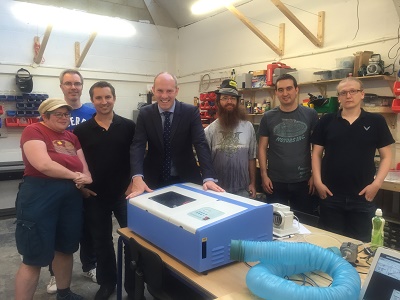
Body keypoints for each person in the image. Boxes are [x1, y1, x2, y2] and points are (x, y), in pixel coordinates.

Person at [15, 98, 92, 300]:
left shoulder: (71, 137)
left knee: (65, 247)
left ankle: (64, 293)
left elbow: (82, 164)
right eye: (58, 114)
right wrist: (76, 176)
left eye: (66, 114)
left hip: (70, 197)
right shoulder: (33, 131)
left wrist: (87, 178)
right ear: (45, 116)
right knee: (33, 255)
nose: (63, 117)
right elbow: (43, 164)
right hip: (39, 194)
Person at [311, 77, 394, 242]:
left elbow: (387, 156)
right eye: (343, 93)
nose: (348, 96)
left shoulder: (376, 121)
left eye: (353, 91)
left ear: (362, 94)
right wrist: (318, 182)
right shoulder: (327, 121)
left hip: (363, 197)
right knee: (330, 243)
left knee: (361, 247)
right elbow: (316, 154)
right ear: (339, 97)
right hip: (330, 195)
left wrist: (376, 184)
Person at [74, 81, 136, 300]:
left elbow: (137, 158)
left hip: (125, 195)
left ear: (114, 98)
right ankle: (107, 283)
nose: (103, 102)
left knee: (133, 241)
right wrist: (82, 189)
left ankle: (133, 288)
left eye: (107, 97)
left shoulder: (129, 126)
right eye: (98, 98)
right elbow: (75, 163)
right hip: (95, 196)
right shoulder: (81, 131)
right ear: (92, 101)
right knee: (101, 242)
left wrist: (133, 183)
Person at [127, 71, 224, 198]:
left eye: (169, 91)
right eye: (160, 91)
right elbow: (138, 145)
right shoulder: (145, 113)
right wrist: (137, 177)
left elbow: (200, 143)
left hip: (185, 177)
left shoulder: (190, 112)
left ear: (176, 91)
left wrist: (208, 177)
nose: (164, 96)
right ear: (153, 90)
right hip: (153, 179)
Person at [46, 69, 97, 294]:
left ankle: (90, 265)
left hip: (86, 177)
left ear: (82, 86)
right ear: (61, 87)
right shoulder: (52, 112)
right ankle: (54, 275)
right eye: (68, 83)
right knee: (56, 230)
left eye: (77, 83)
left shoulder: (93, 111)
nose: (73, 87)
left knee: (88, 226)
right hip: (58, 181)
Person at [258, 73, 319, 215]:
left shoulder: (310, 114)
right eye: (280, 90)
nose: (285, 93)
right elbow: (261, 148)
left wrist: (314, 176)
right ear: (276, 93)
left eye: (289, 88)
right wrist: (264, 175)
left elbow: (317, 149)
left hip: (303, 181)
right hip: (274, 182)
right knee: (276, 222)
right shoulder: (268, 117)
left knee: (304, 223)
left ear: (296, 90)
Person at [204, 79, 257, 197]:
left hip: (243, 190)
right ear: (218, 102)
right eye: (225, 98)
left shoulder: (248, 127)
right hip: (217, 191)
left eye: (233, 98)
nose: (229, 101)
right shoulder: (209, 131)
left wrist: (252, 183)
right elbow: (205, 162)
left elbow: (251, 158)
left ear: (238, 102)